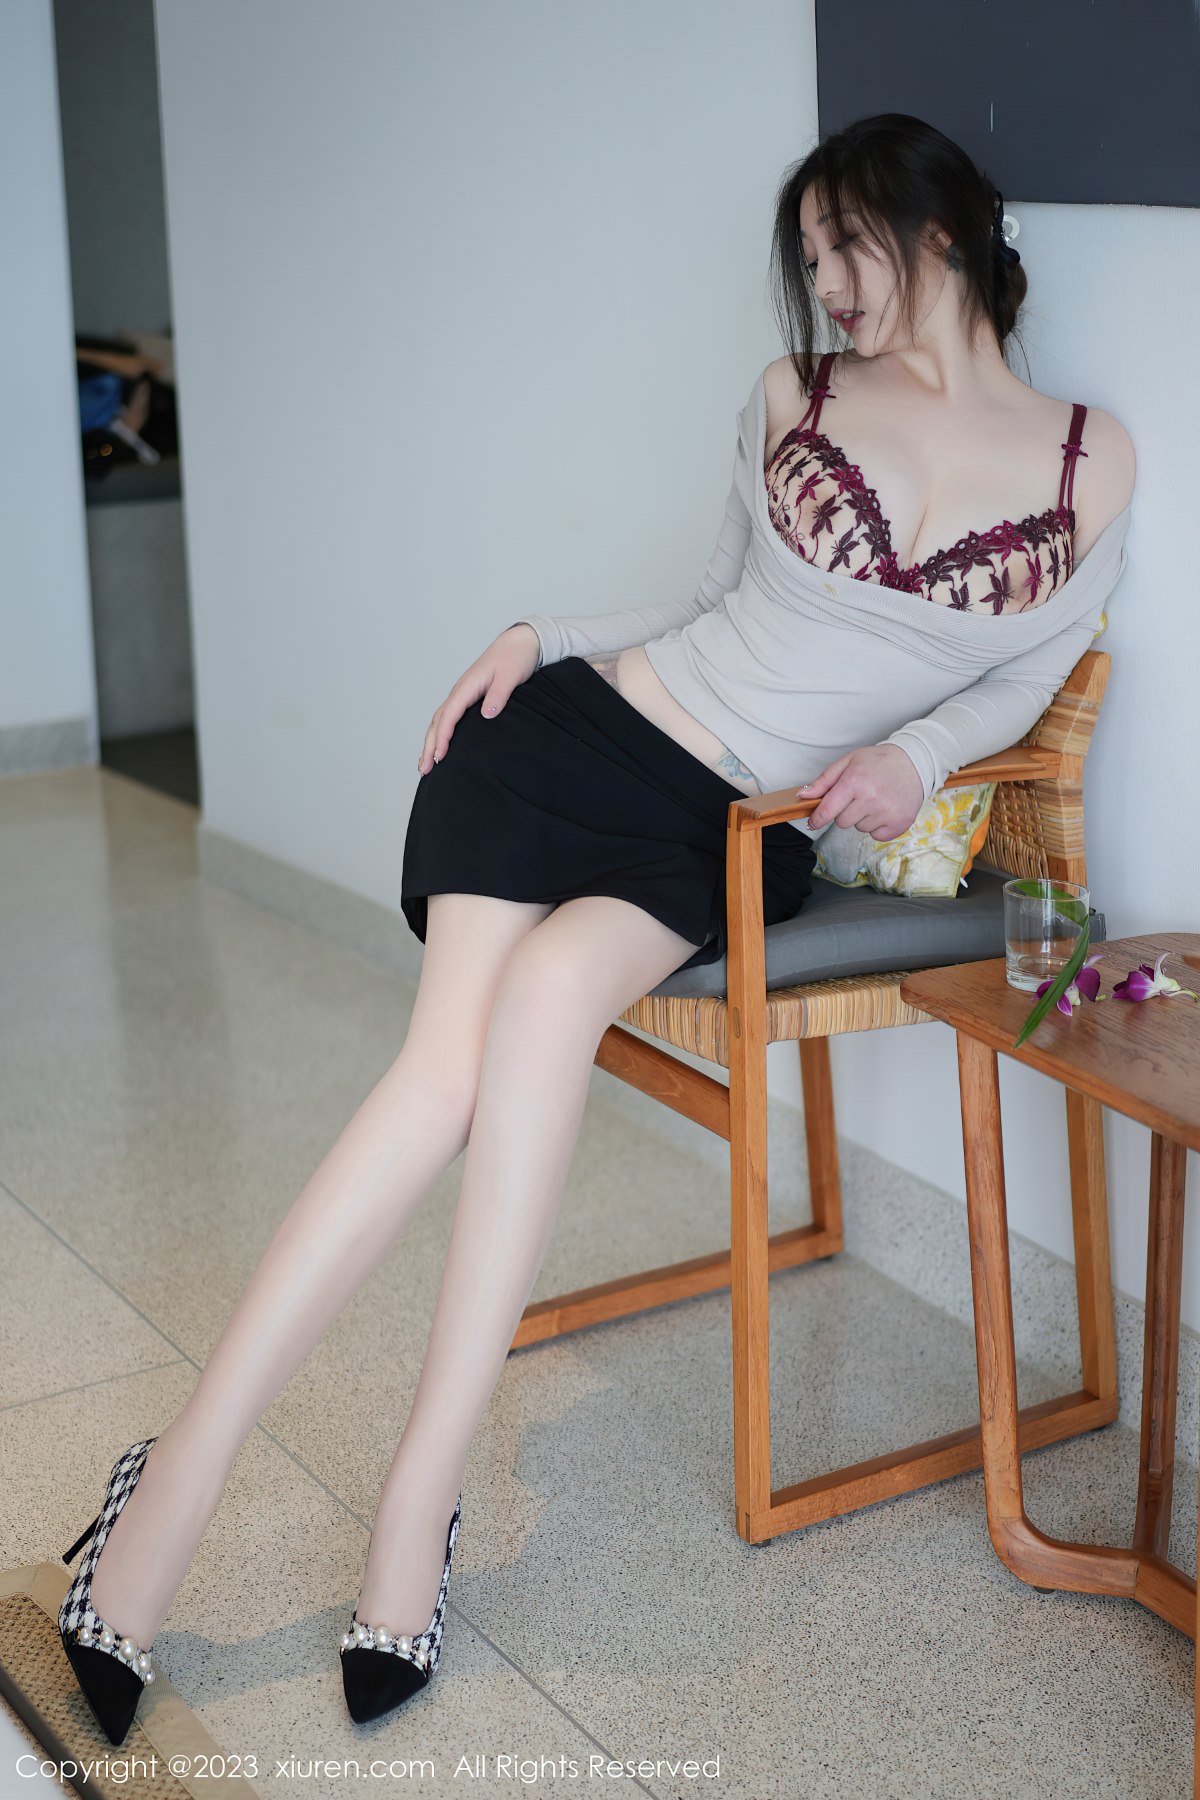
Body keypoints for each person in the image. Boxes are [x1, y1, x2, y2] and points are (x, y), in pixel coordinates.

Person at [56, 112, 1135, 1743]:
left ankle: (416, 1501)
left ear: (938, 229)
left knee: (554, 1007)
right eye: (810, 258)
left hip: (729, 834)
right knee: (440, 1080)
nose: (827, 286)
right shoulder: (793, 398)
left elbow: (1025, 675)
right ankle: (175, 1490)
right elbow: (712, 603)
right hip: (574, 743)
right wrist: (541, 632)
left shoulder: (1087, 459)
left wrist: (916, 758)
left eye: (845, 246)